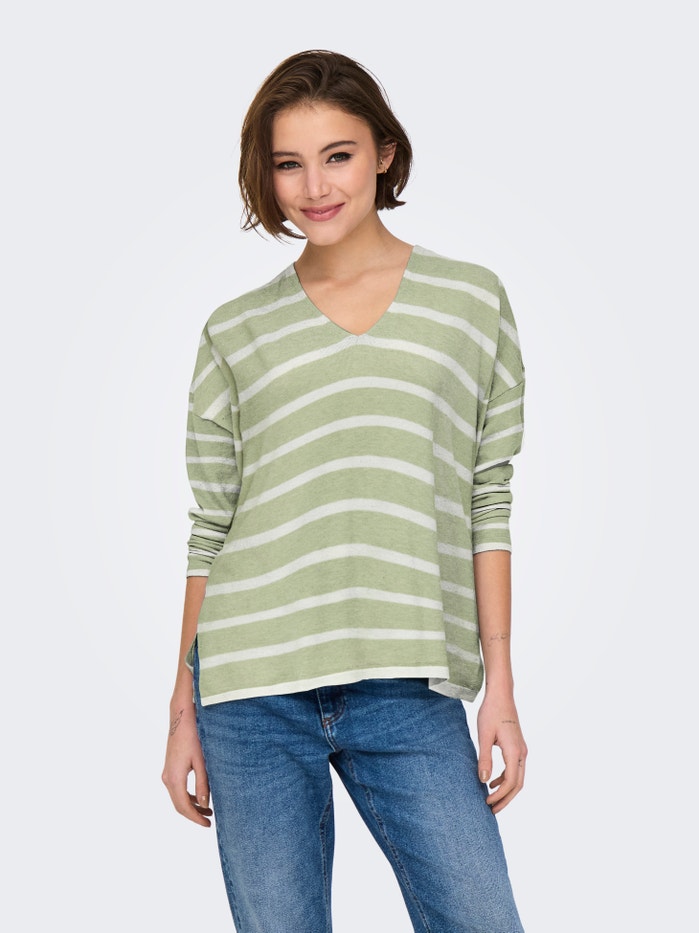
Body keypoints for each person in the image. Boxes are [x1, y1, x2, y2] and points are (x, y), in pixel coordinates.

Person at [162, 49, 527, 933]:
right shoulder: (236, 331)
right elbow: (212, 527)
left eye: (338, 155)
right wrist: (181, 710)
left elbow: (487, 499)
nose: (314, 187)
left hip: (408, 680)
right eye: (288, 163)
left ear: (384, 154)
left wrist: (502, 687)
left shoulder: (469, 302)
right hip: (250, 687)